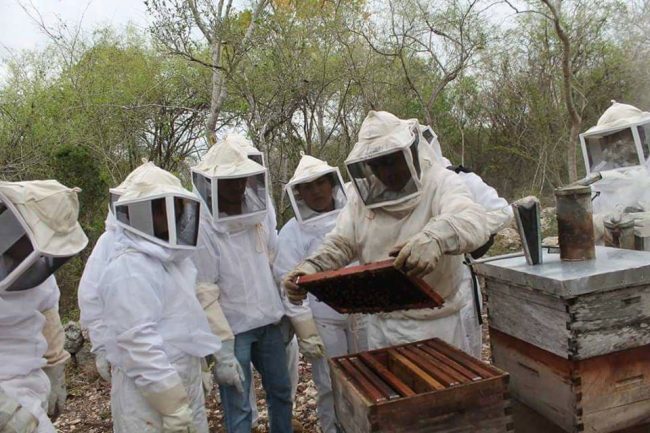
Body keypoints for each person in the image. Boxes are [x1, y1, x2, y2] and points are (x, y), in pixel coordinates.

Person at [284, 110, 491, 354]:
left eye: (391, 161)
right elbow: (341, 243)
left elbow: (473, 219)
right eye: (376, 165)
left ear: (409, 152)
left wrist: (435, 238)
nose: (385, 172)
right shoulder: (362, 197)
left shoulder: (440, 182)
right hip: (380, 323)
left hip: (434, 324)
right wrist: (311, 267)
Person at [99, 167, 221, 433]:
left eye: (175, 207)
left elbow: (186, 322)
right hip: (149, 399)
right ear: (137, 213)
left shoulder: (176, 262)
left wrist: (199, 366)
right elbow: (137, 343)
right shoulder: (129, 268)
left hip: (183, 383)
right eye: (158, 209)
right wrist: (172, 405)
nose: (169, 216)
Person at [191, 134, 294, 433]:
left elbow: (273, 260)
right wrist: (222, 350)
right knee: (238, 407)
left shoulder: (260, 209)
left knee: (282, 392)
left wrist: (285, 311)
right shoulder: (203, 226)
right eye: (229, 182)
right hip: (233, 329)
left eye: (241, 180)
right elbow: (205, 289)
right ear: (211, 183)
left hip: (269, 321)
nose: (238, 187)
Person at [274, 153, 367, 433]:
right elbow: (288, 282)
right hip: (324, 320)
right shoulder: (291, 232)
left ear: (332, 183)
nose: (316, 191)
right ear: (299, 194)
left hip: (365, 313)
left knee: (368, 379)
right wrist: (307, 331)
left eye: (320, 183)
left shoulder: (354, 214)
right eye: (308, 187)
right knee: (329, 385)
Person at [0, 180, 88, 433]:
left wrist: (55, 365)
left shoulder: (35, 267)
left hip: (29, 386)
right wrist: (5, 410)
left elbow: (47, 310)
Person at [579, 101, 650, 244]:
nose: (617, 143)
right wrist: (599, 223)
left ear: (640, 134)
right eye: (611, 138)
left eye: (622, 136)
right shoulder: (596, 180)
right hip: (609, 255)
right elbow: (577, 229)